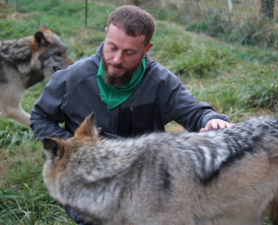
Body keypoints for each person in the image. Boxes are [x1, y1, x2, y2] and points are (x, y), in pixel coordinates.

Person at [30, 5, 232, 225]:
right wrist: (70, 148)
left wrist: (210, 119)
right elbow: (40, 116)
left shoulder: (161, 82)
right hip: (88, 178)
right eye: (112, 47)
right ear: (106, 33)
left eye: (129, 53)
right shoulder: (71, 79)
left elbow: (193, 111)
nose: (117, 59)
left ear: (146, 49)